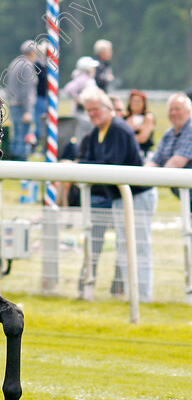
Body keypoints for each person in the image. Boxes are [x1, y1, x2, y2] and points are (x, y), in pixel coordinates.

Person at [78, 87, 156, 302]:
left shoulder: (119, 129)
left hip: (138, 196)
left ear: (107, 108)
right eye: (89, 111)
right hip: (119, 197)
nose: (92, 114)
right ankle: (133, 296)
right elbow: (88, 159)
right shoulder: (97, 132)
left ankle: (143, 297)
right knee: (124, 246)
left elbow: (110, 164)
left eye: (95, 109)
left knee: (138, 247)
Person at [6, 40, 38, 161]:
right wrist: (27, 111)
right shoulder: (28, 66)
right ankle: (21, 162)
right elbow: (27, 91)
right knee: (23, 136)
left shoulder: (15, 62)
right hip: (22, 106)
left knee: (16, 135)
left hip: (14, 104)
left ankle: (14, 160)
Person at [124, 90, 155, 158]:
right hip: (126, 152)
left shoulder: (148, 117)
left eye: (138, 101)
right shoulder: (125, 118)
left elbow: (142, 138)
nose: (135, 103)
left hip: (143, 152)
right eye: (133, 101)